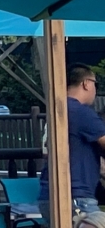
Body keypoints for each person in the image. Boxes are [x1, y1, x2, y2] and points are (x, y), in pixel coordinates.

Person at [38, 64, 105, 220]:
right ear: (86, 83)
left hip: (49, 195)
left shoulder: (57, 110)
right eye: (96, 84)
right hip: (76, 197)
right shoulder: (81, 112)